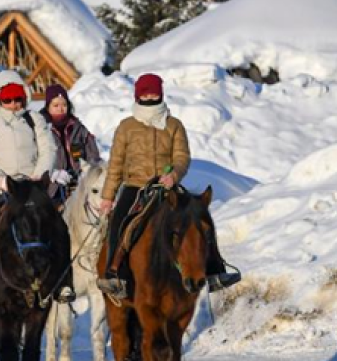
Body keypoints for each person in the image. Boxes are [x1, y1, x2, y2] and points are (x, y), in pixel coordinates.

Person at [97, 73, 240, 299]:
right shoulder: (126, 127)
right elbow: (115, 163)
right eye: (145, 94)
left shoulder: (174, 125)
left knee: (200, 218)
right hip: (135, 186)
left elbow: (182, 157)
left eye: (154, 93)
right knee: (119, 222)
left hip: (167, 187)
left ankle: (215, 272)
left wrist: (174, 175)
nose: (150, 97)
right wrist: (108, 196)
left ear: (161, 95)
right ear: (138, 95)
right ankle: (114, 275)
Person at [0, 69, 75, 303]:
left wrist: (39, 175)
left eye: (18, 98)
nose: (13, 104)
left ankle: (63, 282)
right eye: (7, 100)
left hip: (31, 187)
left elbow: (48, 148)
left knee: (58, 227)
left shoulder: (34, 120)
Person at [39, 83, 101, 199]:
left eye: (64, 104)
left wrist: (88, 171)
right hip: (52, 189)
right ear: (48, 107)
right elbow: (35, 160)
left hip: (79, 185)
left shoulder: (78, 128)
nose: (60, 109)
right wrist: (53, 173)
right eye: (56, 105)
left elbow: (93, 156)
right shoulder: (41, 129)